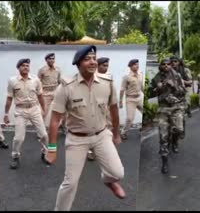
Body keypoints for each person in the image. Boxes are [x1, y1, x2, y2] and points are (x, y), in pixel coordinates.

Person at [48, 45, 125, 211]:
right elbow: (55, 120)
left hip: (101, 135)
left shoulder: (107, 83)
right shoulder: (66, 87)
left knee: (118, 174)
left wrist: (116, 134)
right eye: (87, 59)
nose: (92, 62)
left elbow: (114, 110)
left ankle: (108, 180)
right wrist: (52, 148)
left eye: (94, 58)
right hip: (77, 139)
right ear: (78, 63)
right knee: (70, 183)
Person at [3, 58, 50, 169]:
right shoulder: (12, 81)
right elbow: (9, 98)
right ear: (18, 67)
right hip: (20, 111)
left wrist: (44, 109)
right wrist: (6, 114)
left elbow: (40, 96)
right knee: (19, 138)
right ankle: (15, 156)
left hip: (34, 109)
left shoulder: (35, 80)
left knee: (43, 135)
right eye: (23, 65)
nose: (25, 67)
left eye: (27, 65)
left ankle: (45, 153)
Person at [150, 58, 186, 174]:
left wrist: (174, 86)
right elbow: (150, 94)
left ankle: (174, 141)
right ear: (160, 66)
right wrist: (157, 88)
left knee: (179, 130)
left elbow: (183, 91)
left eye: (168, 64)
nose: (166, 66)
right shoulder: (156, 78)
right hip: (163, 109)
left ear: (171, 65)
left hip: (176, 107)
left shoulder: (177, 76)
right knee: (163, 136)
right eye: (163, 64)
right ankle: (165, 162)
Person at [87, 57, 112, 161]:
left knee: (109, 127)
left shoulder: (109, 77)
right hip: (94, 108)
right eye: (104, 65)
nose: (106, 67)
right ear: (98, 66)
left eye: (107, 65)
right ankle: (90, 151)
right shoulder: (92, 77)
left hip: (105, 107)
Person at [119, 59, 143, 140]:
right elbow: (122, 89)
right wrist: (120, 102)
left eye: (138, 64)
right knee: (130, 118)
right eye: (135, 64)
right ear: (130, 66)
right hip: (130, 100)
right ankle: (123, 133)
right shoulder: (127, 77)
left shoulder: (140, 74)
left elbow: (141, 86)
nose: (137, 66)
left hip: (139, 98)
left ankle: (141, 128)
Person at [37, 53, 61, 127]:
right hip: (45, 93)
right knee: (43, 112)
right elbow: (38, 82)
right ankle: (41, 131)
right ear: (46, 60)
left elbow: (59, 81)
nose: (51, 60)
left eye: (53, 58)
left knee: (62, 110)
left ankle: (62, 126)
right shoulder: (42, 70)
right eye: (49, 59)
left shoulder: (58, 69)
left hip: (56, 92)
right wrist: (39, 93)